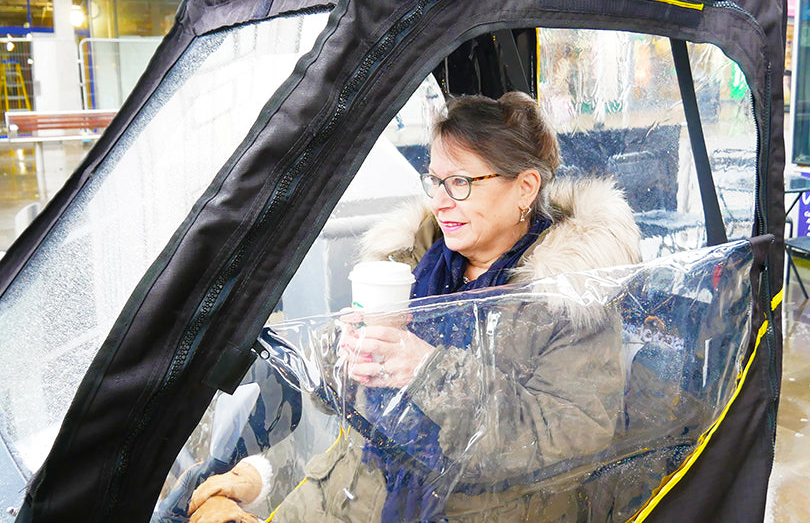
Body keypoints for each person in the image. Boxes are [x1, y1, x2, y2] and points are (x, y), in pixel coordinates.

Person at [188, 91, 643, 523]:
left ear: (524, 188)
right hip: (349, 490)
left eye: (460, 182)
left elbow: (567, 440)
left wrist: (427, 371)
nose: (440, 201)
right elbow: (333, 402)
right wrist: (343, 358)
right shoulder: (411, 259)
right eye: (436, 180)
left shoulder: (571, 297)